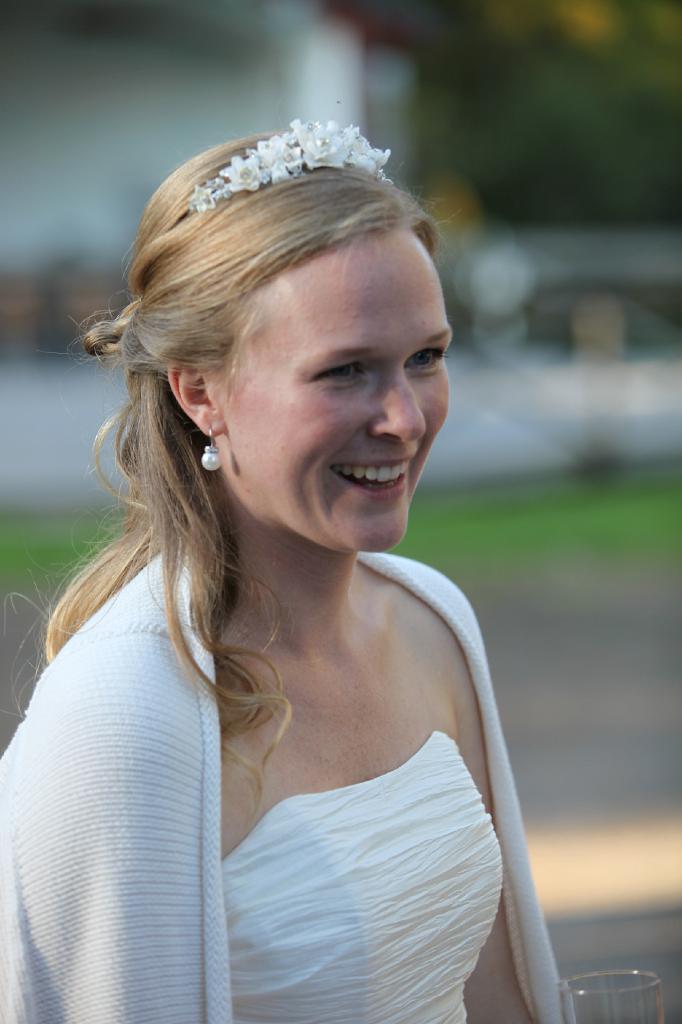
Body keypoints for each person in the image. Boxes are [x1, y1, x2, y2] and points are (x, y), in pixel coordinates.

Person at [0, 120, 561, 1023]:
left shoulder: (433, 620)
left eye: (425, 357)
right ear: (200, 391)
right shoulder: (123, 711)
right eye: (345, 372)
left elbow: (502, 991)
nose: (404, 418)